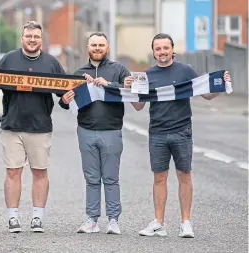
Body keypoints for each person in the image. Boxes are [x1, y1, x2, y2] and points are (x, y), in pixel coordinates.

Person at [124, 33, 232, 238]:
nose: (162, 52)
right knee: (159, 177)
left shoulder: (185, 71)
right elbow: (138, 107)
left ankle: (185, 223)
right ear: (153, 51)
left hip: (182, 130)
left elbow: (206, 94)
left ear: (172, 49)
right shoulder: (146, 76)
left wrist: (222, 86)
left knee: (184, 175)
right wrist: (130, 90)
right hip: (157, 132)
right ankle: (158, 223)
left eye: (166, 48)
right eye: (158, 48)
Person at [60, 32, 142, 234]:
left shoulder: (119, 70)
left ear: (108, 48)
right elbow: (66, 102)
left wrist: (109, 85)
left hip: (112, 130)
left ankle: (113, 220)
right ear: (87, 47)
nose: (97, 48)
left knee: (111, 178)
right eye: (93, 45)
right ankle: (91, 219)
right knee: (91, 178)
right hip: (86, 130)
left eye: (101, 45)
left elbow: (131, 91)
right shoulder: (78, 73)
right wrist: (64, 100)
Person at [0, 21, 66, 233]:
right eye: (28, 36)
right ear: (22, 38)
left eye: (36, 36)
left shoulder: (52, 63)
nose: (32, 39)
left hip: (40, 127)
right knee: (13, 172)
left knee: (40, 172)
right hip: (12, 127)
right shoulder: (9, 59)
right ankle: (12, 218)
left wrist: (68, 99)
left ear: (41, 39)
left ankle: (37, 217)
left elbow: (64, 96)